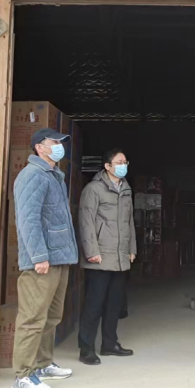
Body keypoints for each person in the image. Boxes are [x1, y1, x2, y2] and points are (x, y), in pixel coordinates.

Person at [11, 128, 78, 388]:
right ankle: (23, 375)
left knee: (51, 316)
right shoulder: (32, 175)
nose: (60, 146)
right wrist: (39, 256)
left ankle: (43, 363)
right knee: (32, 318)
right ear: (40, 147)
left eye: (61, 142)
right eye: (54, 142)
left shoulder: (54, 176)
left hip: (59, 258)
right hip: (42, 261)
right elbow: (28, 220)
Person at [77, 148, 136, 365]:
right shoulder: (93, 189)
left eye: (125, 161)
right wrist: (91, 251)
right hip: (100, 256)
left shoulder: (126, 189)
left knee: (114, 304)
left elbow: (129, 222)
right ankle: (86, 349)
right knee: (94, 305)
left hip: (120, 257)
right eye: (119, 162)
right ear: (107, 166)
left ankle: (110, 344)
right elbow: (86, 221)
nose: (123, 165)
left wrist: (131, 248)